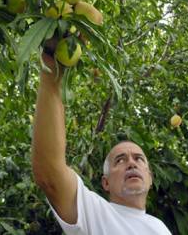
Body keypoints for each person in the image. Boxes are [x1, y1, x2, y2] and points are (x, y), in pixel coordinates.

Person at [31, 52, 171, 234]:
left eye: (139, 159)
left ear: (150, 178)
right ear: (105, 183)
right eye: (120, 160)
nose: (131, 163)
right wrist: (51, 65)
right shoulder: (96, 212)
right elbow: (50, 174)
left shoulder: (159, 228)